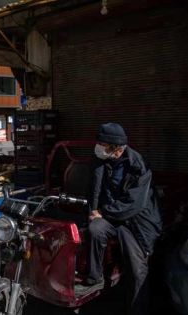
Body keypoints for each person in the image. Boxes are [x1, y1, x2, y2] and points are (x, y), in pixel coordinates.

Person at [77, 123, 162, 315]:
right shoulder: (100, 159)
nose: (98, 146)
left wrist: (104, 213)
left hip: (135, 220)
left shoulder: (138, 164)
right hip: (110, 214)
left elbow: (134, 203)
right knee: (94, 229)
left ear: (116, 147)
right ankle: (94, 277)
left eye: (102, 143)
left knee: (136, 266)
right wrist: (93, 212)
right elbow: (93, 190)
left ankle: (137, 308)